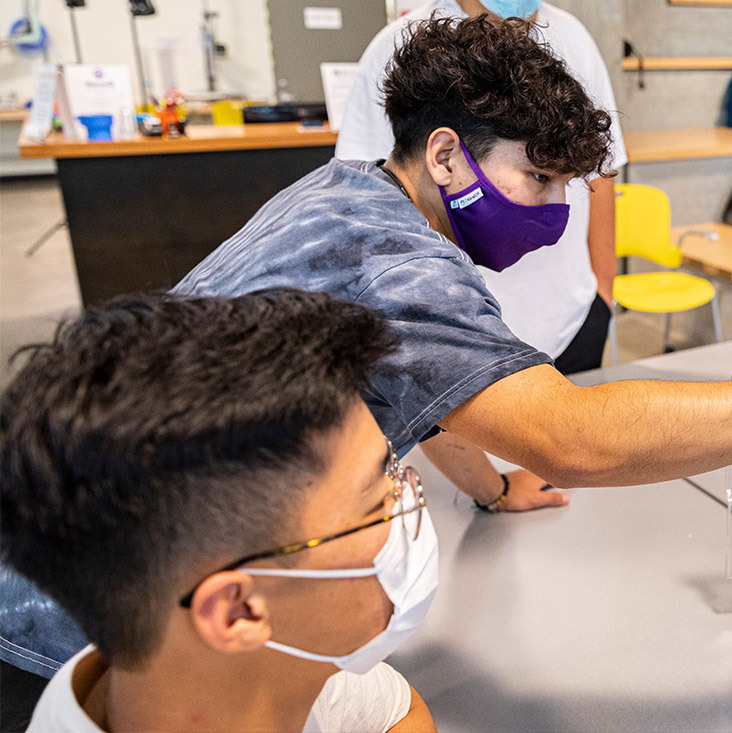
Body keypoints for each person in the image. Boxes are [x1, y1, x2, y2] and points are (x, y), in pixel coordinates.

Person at [176, 15, 732, 502]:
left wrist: (491, 489)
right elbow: (574, 438)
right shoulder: (399, 261)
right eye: (538, 177)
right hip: (106, 604)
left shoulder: (345, 189)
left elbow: (432, 386)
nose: (559, 211)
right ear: (448, 155)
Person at [1, 290, 437, 731]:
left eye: (395, 472)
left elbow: (397, 712)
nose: (410, 500)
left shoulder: (262, 660)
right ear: (238, 611)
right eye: (380, 500)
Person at [337, 0, 624, 513]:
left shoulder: (572, 40)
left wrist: (602, 289)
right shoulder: (402, 51)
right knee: (478, 530)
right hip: (457, 332)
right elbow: (368, 201)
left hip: (568, 318)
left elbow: (603, 175)